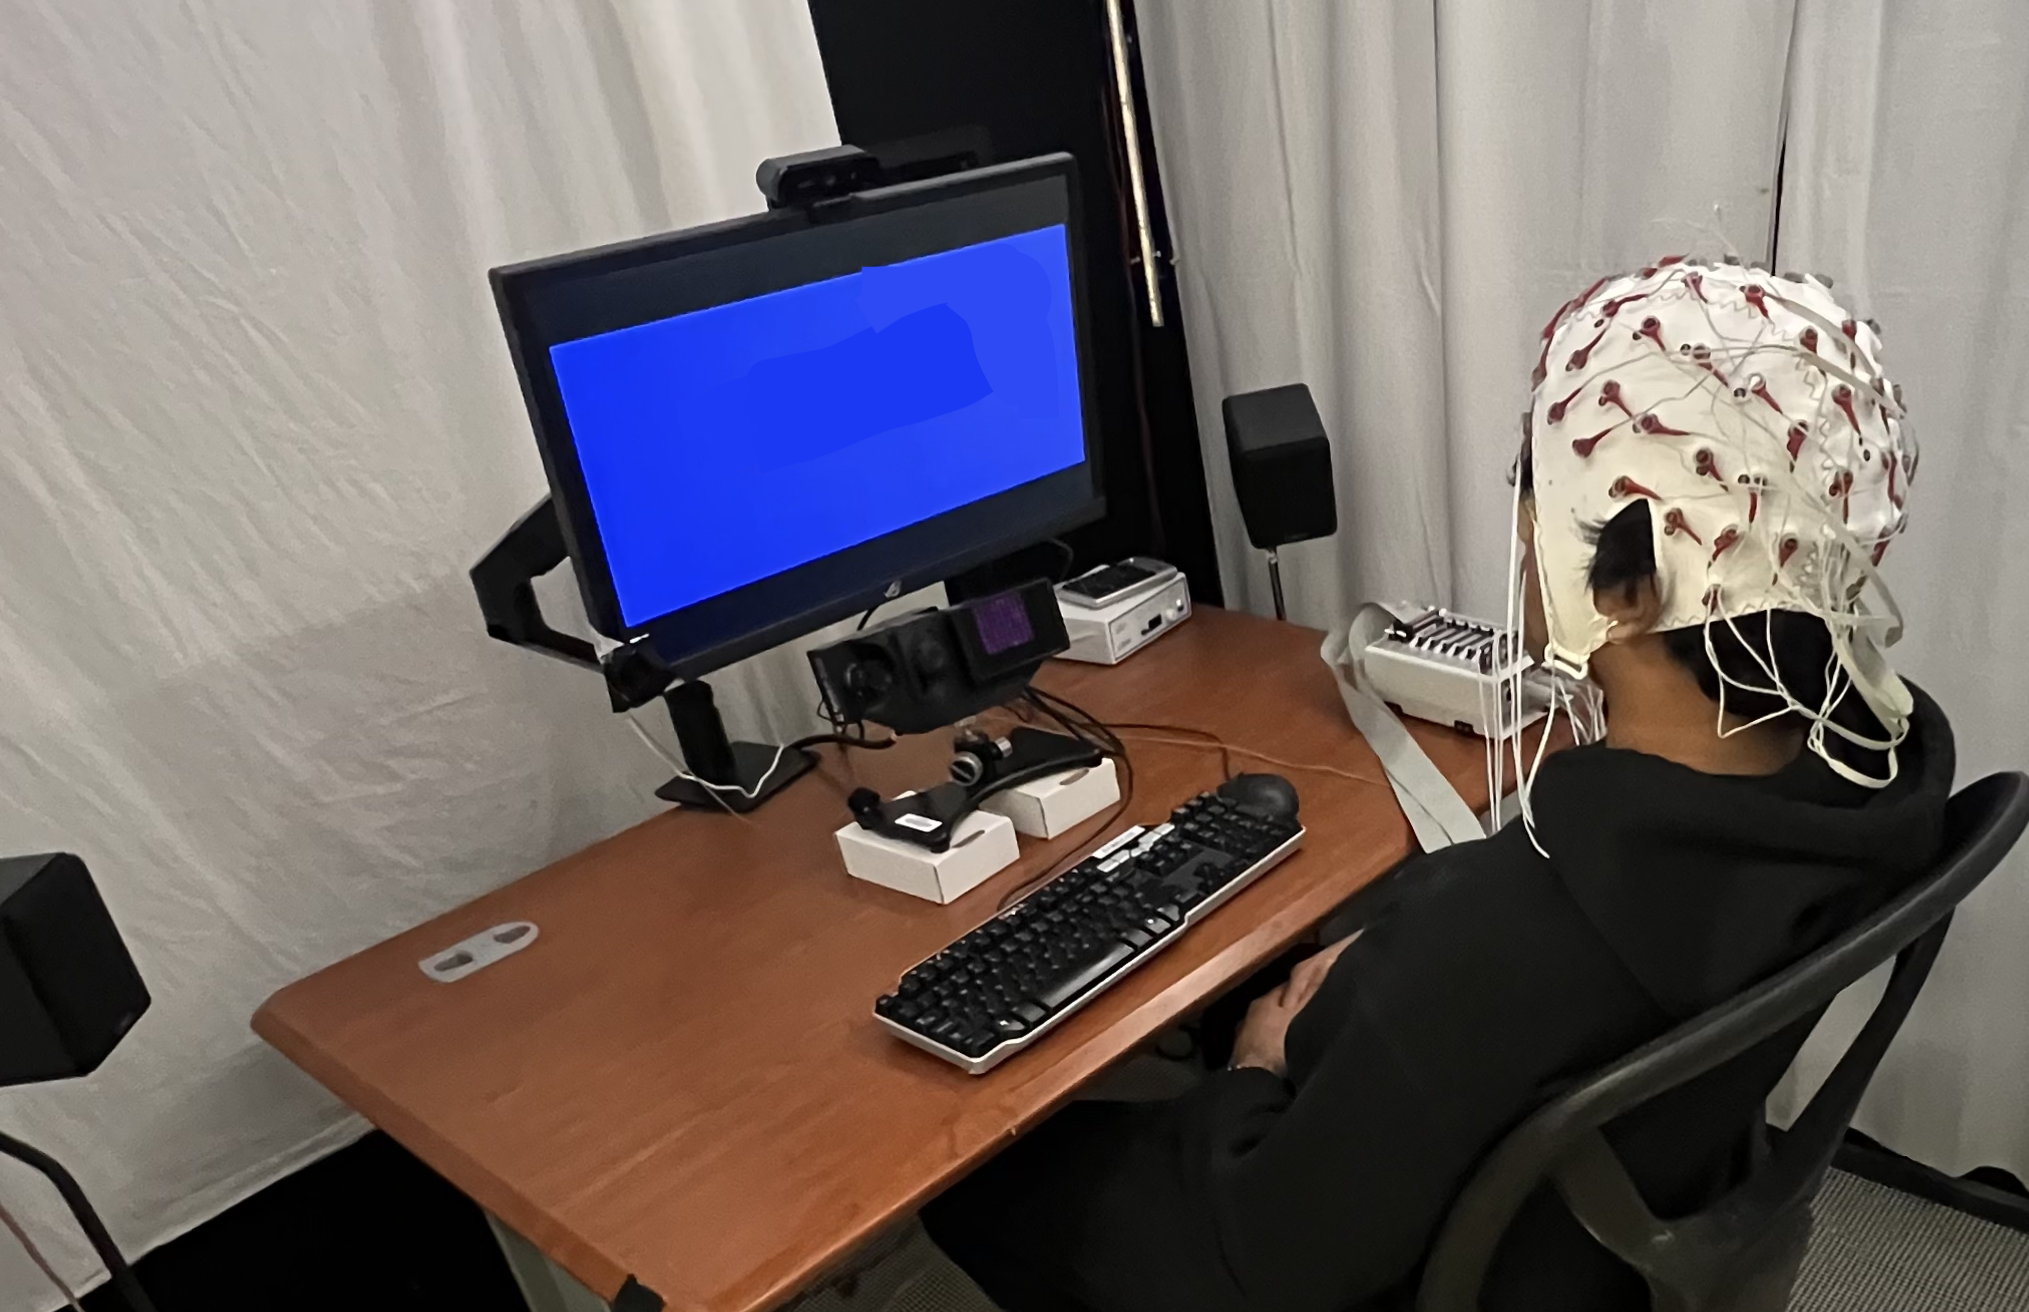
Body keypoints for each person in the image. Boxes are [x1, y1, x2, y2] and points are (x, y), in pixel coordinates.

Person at [922, 260, 1954, 1312]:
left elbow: (1269, 1258)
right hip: (1583, 1218)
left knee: (980, 1172)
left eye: (1534, 486)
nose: (1517, 523)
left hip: (1330, 1240)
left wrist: (1254, 1069)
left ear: (1633, 591)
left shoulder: (1518, 938)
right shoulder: (1868, 782)